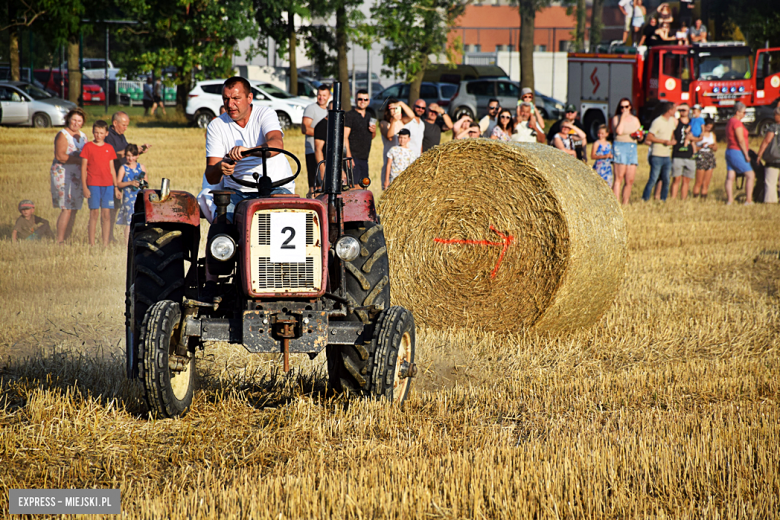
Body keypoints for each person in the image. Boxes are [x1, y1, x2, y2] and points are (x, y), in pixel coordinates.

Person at [204, 77, 293, 222]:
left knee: (285, 223)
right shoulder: (216, 126)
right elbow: (211, 177)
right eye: (226, 99)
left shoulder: (265, 114)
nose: (230, 104)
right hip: (237, 191)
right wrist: (221, 167)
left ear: (249, 97)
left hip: (275, 187)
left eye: (236, 98)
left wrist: (247, 152)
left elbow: (277, 144)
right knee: (221, 225)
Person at [105, 111, 151, 243]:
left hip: (126, 183)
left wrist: (139, 151)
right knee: (111, 211)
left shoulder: (121, 136)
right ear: (115, 123)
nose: (126, 128)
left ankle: (111, 237)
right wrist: (134, 149)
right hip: (112, 176)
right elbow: (114, 155)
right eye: (124, 125)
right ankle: (108, 237)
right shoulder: (109, 137)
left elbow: (129, 157)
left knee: (117, 210)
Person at [50, 107, 87, 245]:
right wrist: (80, 161)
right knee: (66, 207)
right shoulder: (63, 135)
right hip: (63, 174)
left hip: (78, 175)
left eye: (79, 121)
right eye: (73, 120)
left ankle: (67, 238)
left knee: (75, 207)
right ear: (68, 120)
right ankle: (59, 240)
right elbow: (60, 156)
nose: (76, 123)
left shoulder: (83, 136)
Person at [80, 120, 119, 246]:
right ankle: (92, 243)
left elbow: (112, 168)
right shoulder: (88, 147)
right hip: (93, 184)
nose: (98, 135)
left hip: (108, 185)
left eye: (101, 133)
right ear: (93, 132)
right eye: (96, 132)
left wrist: (116, 187)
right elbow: (83, 168)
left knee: (106, 214)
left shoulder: (109, 148)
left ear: (106, 133)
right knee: (94, 213)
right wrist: (85, 187)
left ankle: (105, 243)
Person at [642, 101, 677, 202]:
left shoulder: (671, 121)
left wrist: (672, 140)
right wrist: (663, 141)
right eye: (674, 109)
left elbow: (672, 132)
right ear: (669, 110)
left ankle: (663, 199)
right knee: (653, 179)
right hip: (657, 154)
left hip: (666, 155)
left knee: (666, 179)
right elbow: (649, 137)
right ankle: (645, 198)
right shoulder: (657, 121)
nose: (675, 111)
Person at [115, 144, 148, 244]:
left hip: (139, 198)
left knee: (140, 221)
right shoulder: (123, 168)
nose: (130, 158)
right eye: (128, 156)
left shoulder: (141, 167)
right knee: (129, 223)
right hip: (128, 199)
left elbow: (146, 184)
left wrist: (141, 183)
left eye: (133, 156)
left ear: (137, 156)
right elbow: (118, 183)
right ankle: (127, 244)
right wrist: (130, 183)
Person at [724, 102, 755, 205]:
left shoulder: (730, 122)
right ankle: (748, 200)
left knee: (730, 176)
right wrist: (746, 154)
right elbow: (740, 139)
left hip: (729, 150)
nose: (744, 114)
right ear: (737, 112)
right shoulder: (737, 123)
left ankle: (730, 200)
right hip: (737, 151)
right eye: (743, 112)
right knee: (750, 175)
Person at [302, 84, 330, 195]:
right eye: (319, 95)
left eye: (324, 95)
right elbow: (305, 128)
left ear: (329, 96)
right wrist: (325, 134)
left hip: (324, 152)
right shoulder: (311, 108)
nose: (321, 97)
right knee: (314, 186)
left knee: (324, 185)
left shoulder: (329, 110)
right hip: (312, 151)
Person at [611, 98, 641, 204]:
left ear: (630, 107)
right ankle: (616, 203)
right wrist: (623, 118)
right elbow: (619, 131)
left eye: (626, 106)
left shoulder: (635, 119)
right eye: (622, 107)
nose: (624, 109)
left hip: (632, 147)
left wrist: (639, 135)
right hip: (620, 147)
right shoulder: (616, 118)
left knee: (630, 179)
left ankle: (625, 202)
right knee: (618, 178)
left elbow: (640, 134)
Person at [344, 89, 377, 184]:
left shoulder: (369, 116)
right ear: (355, 100)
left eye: (365, 99)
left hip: (365, 157)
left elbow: (371, 137)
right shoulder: (349, 115)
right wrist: (349, 157)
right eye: (360, 99)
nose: (362, 101)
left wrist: (374, 131)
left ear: (369, 101)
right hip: (353, 157)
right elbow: (345, 137)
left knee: (364, 186)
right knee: (353, 187)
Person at [670, 104, 699, 200]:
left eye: (685, 110)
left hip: (689, 155)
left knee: (686, 180)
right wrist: (677, 108)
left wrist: (692, 138)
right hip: (678, 154)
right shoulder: (676, 122)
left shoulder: (693, 122)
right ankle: (673, 199)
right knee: (676, 179)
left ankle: (683, 199)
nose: (682, 112)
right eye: (681, 110)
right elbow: (670, 115)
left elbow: (699, 136)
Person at [379, 99, 413, 177]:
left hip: (401, 160)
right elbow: (389, 137)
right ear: (388, 109)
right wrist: (393, 121)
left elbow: (411, 116)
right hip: (390, 158)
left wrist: (401, 103)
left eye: (396, 108)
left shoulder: (401, 121)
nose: (394, 110)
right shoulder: (384, 123)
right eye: (392, 108)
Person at [756, 105, 780, 203]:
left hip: (773, 158)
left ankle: (770, 201)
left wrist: (759, 154)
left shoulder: (773, 128)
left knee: (770, 182)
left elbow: (766, 141)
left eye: (775, 114)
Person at [693, 117, 717, 199]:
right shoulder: (699, 134)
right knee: (699, 181)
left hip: (709, 156)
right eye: (707, 127)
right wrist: (701, 146)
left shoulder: (712, 135)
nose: (709, 129)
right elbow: (693, 147)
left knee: (706, 182)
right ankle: (695, 197)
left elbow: (716, 148)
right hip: (701, 156)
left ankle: (704, 197)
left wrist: (712, 146)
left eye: (711, 127)